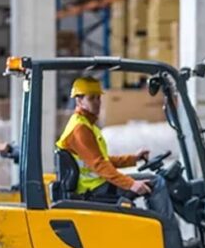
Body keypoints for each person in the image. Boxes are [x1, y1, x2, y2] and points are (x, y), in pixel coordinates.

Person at [56, 77, 180, 239]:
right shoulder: (81, 129)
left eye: (98, 97)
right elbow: (100, 165)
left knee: (153, 182)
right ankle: (169, 238)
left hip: (96, 185)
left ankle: (158, 235)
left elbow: (101, 160)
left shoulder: (85, 124)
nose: (97, 102)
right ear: (79, 100)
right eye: (91, 98)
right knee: (156, 183)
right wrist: (131, 184)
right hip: (95, 189)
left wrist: (133, 159)